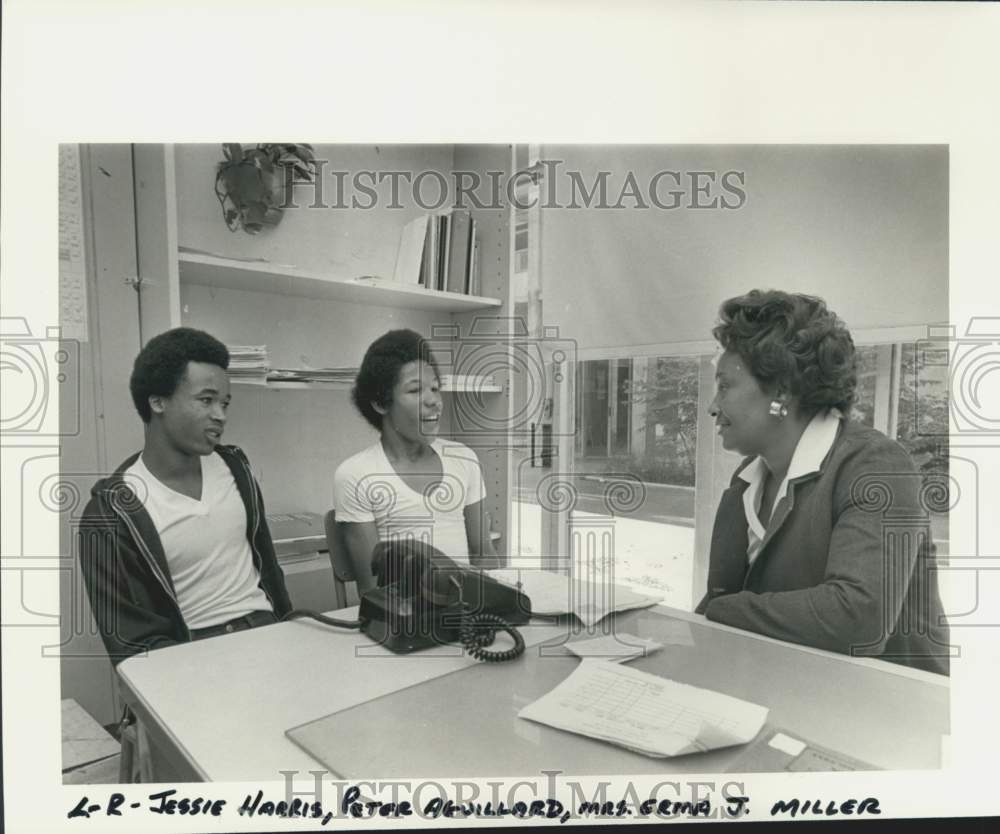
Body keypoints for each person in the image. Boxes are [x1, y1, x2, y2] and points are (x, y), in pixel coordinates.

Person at [695, 290, 950, 675]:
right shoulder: (746, 479)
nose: (713, 405)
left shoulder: (875, 465)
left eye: (725, 386)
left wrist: (718, 610)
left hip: (892, 713)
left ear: (781, 391)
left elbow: (858, 618)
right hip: (793, 689)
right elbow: (722, 605)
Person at [79, 327, 292, 665]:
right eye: (206, 400)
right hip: (191, 654)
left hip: (269, 634)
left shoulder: (235, 467)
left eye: (224, 403)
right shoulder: (111, 512)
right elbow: (131, 644)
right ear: (157, 401)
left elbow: (268, 569)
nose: (220, 416)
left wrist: (285, 633)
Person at [333, 329, 500, 593]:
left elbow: (485, 555)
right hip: (407, 618)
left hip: (466, 610)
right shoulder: (355, 474)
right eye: (415, 390)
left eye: (435, 388)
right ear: (379, 402)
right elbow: (372, 589)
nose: (434, 401)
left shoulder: (464, 459)